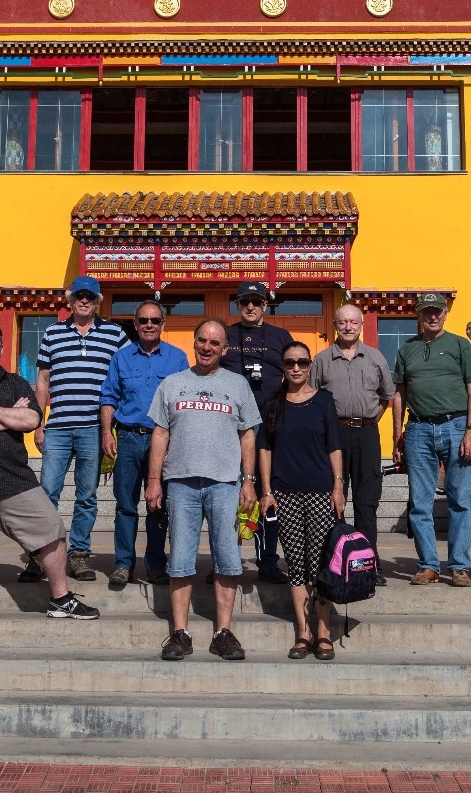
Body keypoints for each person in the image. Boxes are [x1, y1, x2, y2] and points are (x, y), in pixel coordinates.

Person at [0, 323, 99, 658]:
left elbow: (31, 421)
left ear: (1, 349)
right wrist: (9, 415)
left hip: (14, 478)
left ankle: (60, 599)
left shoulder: (17, 383)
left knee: (51, 529)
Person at [145, 319, 261, 662]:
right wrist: (154, 481)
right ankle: (179, 634)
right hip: (180, 483)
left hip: (225, 484)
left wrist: (249, 480)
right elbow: (160, 435)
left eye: (214, 342)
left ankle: (223, 632)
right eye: (202, 341)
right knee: (180, 559)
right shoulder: (173, 383)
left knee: (227, 558)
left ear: (224, 349)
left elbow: (248, 435)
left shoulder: (238, 385)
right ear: (194, 342)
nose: (207, 347)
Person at [30, 275, 128, 583]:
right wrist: (39, 422)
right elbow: (43, 380)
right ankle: (40, 555)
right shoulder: (53, 333)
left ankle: (79, 555)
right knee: (47, 493)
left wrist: (112, 430)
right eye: (79, 296)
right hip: (57, 427)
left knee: (87, 496)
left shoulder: (114, 334)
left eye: (90, 296)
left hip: (93, 429)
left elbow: (126, 376)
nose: (84, 301)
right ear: (70, 300)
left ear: (98, 301)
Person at [259, 341, 344, 660]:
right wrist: (266, 489)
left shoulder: (324, 401)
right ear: (282, 366)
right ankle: (303, 632)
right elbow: (264, 448)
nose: (296, 367)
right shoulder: (273, 403)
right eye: (290, 362)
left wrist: (338, 485)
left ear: (310, 366)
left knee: (320, 563)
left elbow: (335, 446)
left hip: (321, 491)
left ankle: (323, 631)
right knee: (295, 562)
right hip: (285, 493)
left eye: (302, 362)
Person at [390, 292, 471, 587]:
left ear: (445, 313)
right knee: (419, 502)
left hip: (455, 426)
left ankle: (458, 566)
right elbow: (399, 394)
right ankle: (428, 565)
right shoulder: (407, 349)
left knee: (460, 501)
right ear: (418, 314)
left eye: (438, 311)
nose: (433, 316)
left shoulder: (460, 345)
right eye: (427, 311)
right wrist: (397, 436)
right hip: (417, 429)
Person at [98, 300, 189, 587]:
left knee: (157, 505)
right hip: (127, 438)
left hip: (164, 442)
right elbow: (109, 397)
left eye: (154, 320)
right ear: (135, 324)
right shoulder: (121, 358)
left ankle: (155, 565)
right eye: (143, 321)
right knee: (125, 505)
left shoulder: (177, 359)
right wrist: (105, 434)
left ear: (164, 324)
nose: (149, 325)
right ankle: (123, 565)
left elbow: (184, 402)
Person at [310, 303, 394, 583]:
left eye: (353, 322)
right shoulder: (321, 360)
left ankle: (369, 564)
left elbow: (387, 396)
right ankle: (334, 562)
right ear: (335, 324)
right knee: (332, 500)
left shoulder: (375, 358)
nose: (348, 327)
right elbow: (311, 400)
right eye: (342, 322)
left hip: (367, 434)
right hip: (333, 436)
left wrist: (371, 420)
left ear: (360, 325)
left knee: (366, 502)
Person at [221, 281, 294, 584]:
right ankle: (226, 561)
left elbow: (296, 375)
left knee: (267, 495)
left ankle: (267, 561)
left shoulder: (280, 337)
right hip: (229, 429)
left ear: (266, 304)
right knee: (226, 497)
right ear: (237, 304)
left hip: (269, 428)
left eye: (256, 301)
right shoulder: (225, 334)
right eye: (244, 301)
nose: (250, 307)